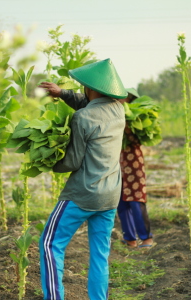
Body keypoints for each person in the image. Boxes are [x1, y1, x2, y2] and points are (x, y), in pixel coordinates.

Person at [38, 58, 127, 300]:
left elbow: (72, 162)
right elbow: (88, 102)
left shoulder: (82, 119)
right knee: (100, 254)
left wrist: (46, 161)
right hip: (110, 195)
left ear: (91, 88)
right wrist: (63, 93)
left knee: (50, 244)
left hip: (82, 194)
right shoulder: (119, 110)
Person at [117, 88, 154, 248]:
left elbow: (136, 139)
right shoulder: (114, 115)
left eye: (125, 99)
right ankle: (130, 239)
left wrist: (126, 123)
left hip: (134, 166)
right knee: (121, 203)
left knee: (136, 201)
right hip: (118, 164)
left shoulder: (134, 117)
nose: (121, 101)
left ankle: (146, 238)